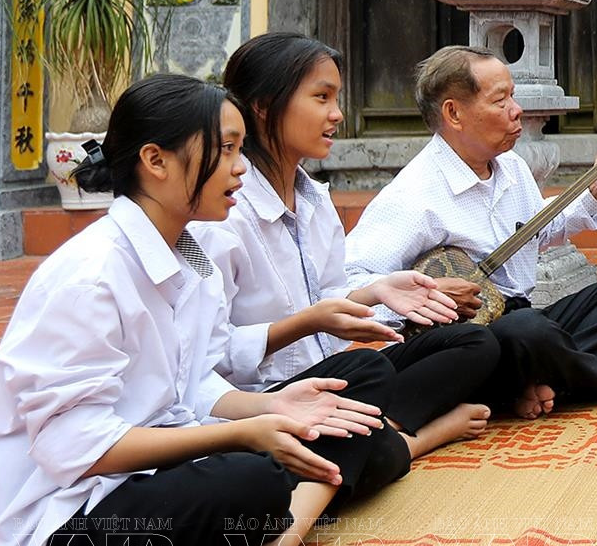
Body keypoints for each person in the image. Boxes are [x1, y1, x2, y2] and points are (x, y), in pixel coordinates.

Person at [0, 76, 403, 546]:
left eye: (240, 149)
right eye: (225, 149)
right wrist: (239, 435)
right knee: (258, 479)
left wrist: (269, 406)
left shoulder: (191, 255)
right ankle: (263, 535)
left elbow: (192, 384)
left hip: (158, 466)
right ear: (155, 161)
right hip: (66, 525)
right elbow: (76, 448)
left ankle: (260, 541)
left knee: (361, 387)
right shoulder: (91, 276)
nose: (240, 167)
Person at [203, 32, 499, 461]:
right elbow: (211, 358)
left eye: (337, 98)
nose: (337, 114)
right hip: (266, 396)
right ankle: (406, 439)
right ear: (264, 105)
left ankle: (367, 437)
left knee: (473, 342)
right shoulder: (225, 213)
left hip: (337, 378)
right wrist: (305, 324)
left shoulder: (314, 199)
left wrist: (378, 292)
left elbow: (329, 295)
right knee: (368, 369)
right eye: (321, 97)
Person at [345, 46, 597, 420]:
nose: (516, 110)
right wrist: (420, 296)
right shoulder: (413, 196)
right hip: (469, 344)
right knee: (527, 331)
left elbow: (539, 231)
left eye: (513, 96)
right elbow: (348, 283)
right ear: (454, 113)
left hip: (521, 322)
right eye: (501, 101)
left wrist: (596, 189)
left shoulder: (511, 166)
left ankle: (533, 386)